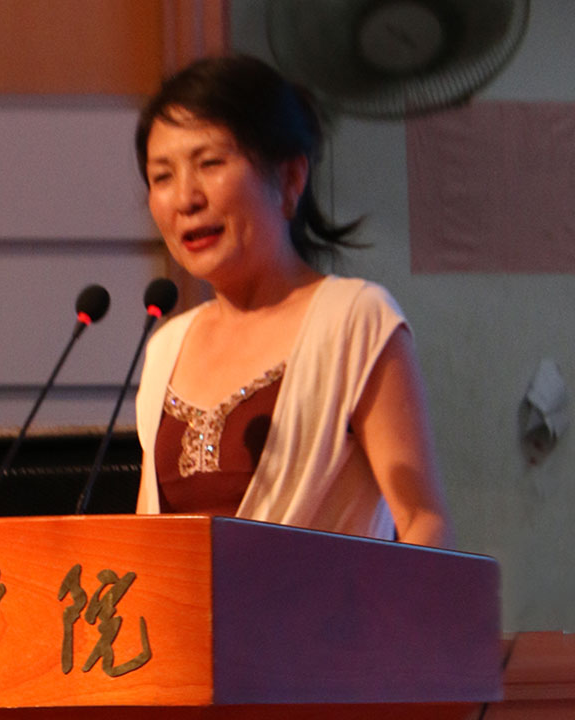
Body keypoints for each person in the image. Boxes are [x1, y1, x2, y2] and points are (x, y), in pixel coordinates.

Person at [132, 54, 453, 548]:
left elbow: (422, 521)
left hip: (328, 603)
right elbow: (144, 541)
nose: (186, 198)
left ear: (289, 179)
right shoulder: (165, 347)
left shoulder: (354, 320)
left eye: (210, 163)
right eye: (162, 176)